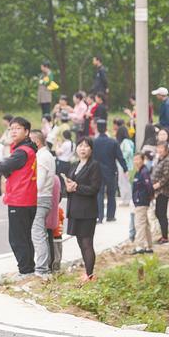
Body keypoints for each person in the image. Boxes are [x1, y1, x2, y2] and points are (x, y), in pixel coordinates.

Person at [0, 117, 38, 276]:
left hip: (20, 199)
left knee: (17, 238)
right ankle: (28, 268)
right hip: (28, 198)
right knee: (25, 236)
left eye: (17, 128)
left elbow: (2, 166)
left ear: (27, 131)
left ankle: (25, 270)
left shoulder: (22, 151)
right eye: (11, 128)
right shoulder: (30, 149)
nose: (13, 131)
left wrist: (6, 172)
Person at [62, 137, 102, 281]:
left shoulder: (94, 166)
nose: (83, 148)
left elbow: (94, 189)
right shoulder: (74, 165)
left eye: (86, 146)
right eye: (80, 146)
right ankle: (87, 272)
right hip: (74, 210)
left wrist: (77, 187)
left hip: (87, 211)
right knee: (80, 242)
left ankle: (90, 274)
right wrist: (67, 188)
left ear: (91, 150)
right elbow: (69, 187)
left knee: (87, 242)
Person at [31, 131, 56, 277]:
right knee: (42, 233)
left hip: (40, 198)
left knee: (37, 233)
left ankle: (41, 268)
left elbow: (38, 183)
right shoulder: (47, 155)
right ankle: (44, 266)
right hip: (46, 197)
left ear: (37, 142)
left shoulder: (42, 157)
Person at [92, 120, 127, 222]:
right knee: (111, 194)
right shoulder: (113, 142)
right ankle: (110, 216)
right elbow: (119, 157)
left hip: (97, 171)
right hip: (111, 171)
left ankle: (100, 216)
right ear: (106, 128)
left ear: (97, 128)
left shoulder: (94, 142)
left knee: (100, 194)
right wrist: (125, 168)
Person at [129, 150, 154, 255]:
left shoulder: (144, 172)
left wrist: (148, 198)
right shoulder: (138, 172)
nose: (136, 161)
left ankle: (140, 246)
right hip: (139, 201)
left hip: (142, 201)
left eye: (138, 159)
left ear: (143, 160)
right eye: (134, 159)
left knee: (139, 224)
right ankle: (148, 246)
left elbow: (149, 187)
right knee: (145, 224)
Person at [151, 142, 169, 244]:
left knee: (161, 213)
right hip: (158, 191)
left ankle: (165, 237)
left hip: (163, 191)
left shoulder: (168, 161)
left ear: (166, 150)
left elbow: (167, 176)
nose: (159, 150)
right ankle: (163, 235)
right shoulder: (159, 160)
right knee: (159, 213)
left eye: (161, 148)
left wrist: (158, 184)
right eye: (158, 148)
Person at [115, 118, 135, 207]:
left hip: (123, 165)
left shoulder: (124, 142)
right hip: (128, 164)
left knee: (123, 182)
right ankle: (127, 199)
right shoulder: (129, 141)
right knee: (125, 182)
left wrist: (121, 156)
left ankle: (125, 200)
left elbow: (128, 151)